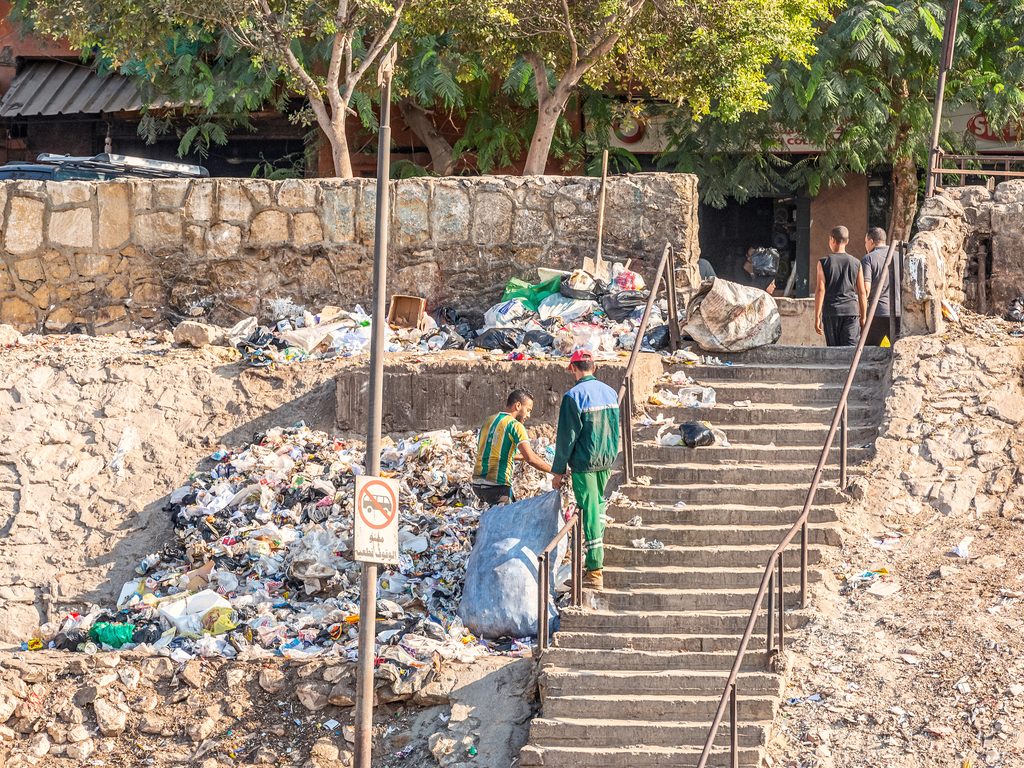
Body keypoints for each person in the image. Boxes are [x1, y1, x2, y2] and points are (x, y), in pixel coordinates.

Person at [551, 350, 621, 590]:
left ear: (573, 369)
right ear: (595, 367)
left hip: (584, 463)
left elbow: (566, 438)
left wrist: (558, 470)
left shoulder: (573, 397)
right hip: (606, 460)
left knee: (589, 512)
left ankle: (594, 570)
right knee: (598, 506)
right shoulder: (610, 393)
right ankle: (594, 560)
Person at [472, 389, 552, 507]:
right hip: (497, 487)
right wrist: (555, 471)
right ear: (518, 405)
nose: (528, 415)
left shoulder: (489, 421)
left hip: (478, 485)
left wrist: (522, 457)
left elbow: (494, 452)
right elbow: (531, 459)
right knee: (507, 522)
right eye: (528, 410)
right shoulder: (515, 426)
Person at [815, 225, 867, 347]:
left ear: (832, 239)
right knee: (850, 350)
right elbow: (862, 292)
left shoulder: (824, 262)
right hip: (851, 311)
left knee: (834, 351)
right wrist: (863, 317)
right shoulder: (856, 262)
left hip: (831, 311)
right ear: (847, 241)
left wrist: (817, 316)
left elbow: (820, 290)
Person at [861, 227, 900, 345]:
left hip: (877, 312)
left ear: (871, 241)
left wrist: (862, 313)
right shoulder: (900, 256)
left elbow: (866, 288)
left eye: (865, 242)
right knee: (898, 350)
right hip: (899, 311)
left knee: (868, 351)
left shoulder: (868, 258)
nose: (865, 245)